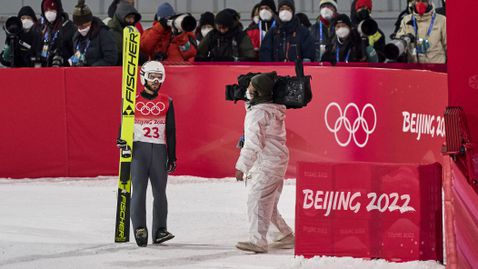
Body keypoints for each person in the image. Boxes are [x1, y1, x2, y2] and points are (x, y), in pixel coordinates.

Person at [116, 61, 177, 247]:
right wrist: (121, 139)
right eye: (152, 77)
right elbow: (124, 126)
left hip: (159, 149)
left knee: (160, 193)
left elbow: (171, 130)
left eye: (159, 77)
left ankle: (160, 230)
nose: (156, 81)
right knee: (139, 191)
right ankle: (140, 228)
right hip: (138, 150)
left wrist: (172, 155)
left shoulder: (167, 101)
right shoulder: (131, 101)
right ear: (144, 77)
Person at [235, 72, 294, 253]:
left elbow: (253, 145)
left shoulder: (258, 113)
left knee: (257, 200)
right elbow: (256, 111)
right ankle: (284, 235)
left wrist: (241, 167)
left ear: (258, 93)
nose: (247, 90)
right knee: (268, 202)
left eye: (251, 88)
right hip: (277, 161)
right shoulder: (271, 108)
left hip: (267, 163)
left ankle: (258, 241)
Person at [69, 0, 117, 66]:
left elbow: (111, 58)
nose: (81, 29)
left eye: (84, 26)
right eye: (78, 26)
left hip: (98, 73)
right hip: (80, 73)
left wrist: (92, 68)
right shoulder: (76, 36)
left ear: (90, 21)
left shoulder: (103, 34)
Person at [39, 0, 77, 67]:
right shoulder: (42, 28)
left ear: (58, 10)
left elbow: (79, 55)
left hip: (66, 71)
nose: (49, 13)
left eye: (52, 10)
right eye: (46, 11)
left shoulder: (70, 27)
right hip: (45, 70)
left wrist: (67, 63)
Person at [108, 1, 142, 65]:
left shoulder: (133, 31)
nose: (132, 20)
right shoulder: (112, 32)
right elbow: (120, 53)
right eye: (129, 17)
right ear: (121, 17)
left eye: (133, 18)